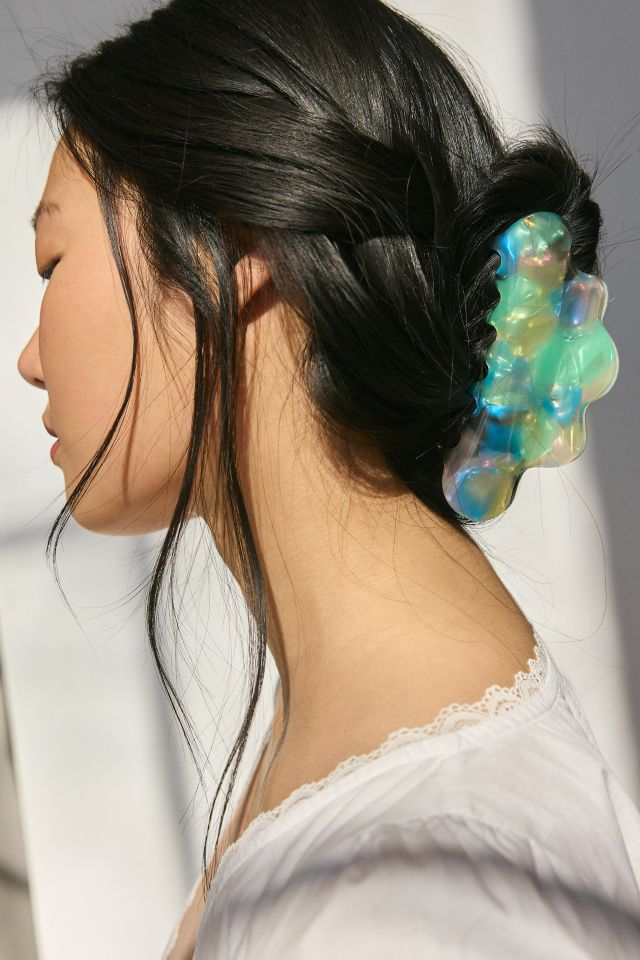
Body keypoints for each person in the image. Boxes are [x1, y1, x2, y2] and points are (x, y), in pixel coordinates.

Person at [16, 0, 640, 956]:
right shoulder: (350, 752)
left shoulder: (418, 885)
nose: (29, 359)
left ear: (233, 244)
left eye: (52, 263)